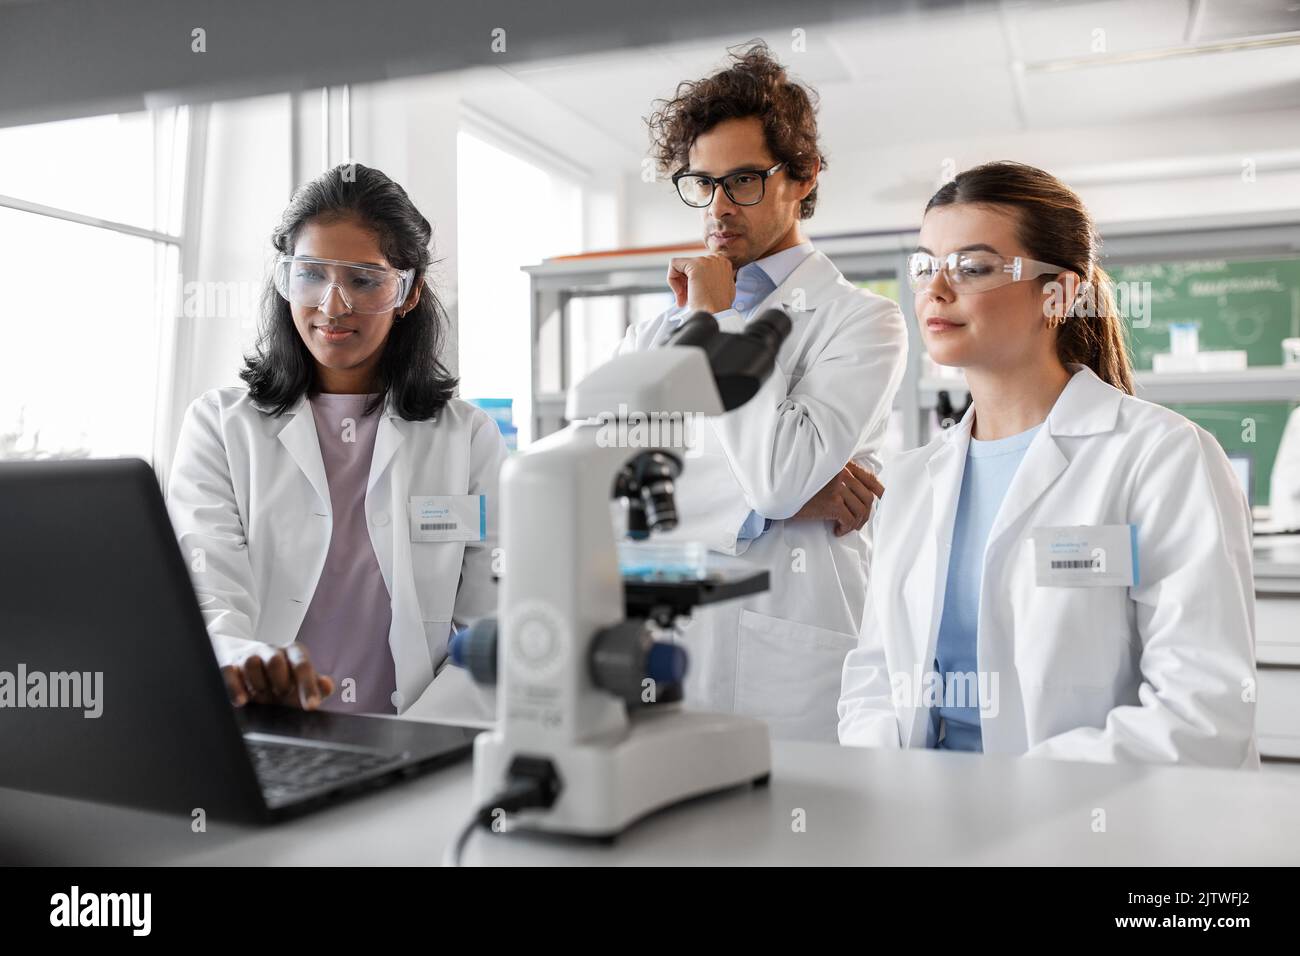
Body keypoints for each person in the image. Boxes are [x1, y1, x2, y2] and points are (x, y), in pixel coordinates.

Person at [838, 161, 1258, 766]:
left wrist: (1014, 802)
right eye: (926, 265)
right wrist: (892, 785)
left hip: (1095, 826)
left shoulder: (1162, 458)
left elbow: (1202, 711)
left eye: (973, 267)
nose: (935, 289)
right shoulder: (912, 478)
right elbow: (876, 676)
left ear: (1057, 293)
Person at [619, 43, 908, 740]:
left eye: (744, 180)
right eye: (702, 184)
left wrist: (721, 320)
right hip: (666, 649)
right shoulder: (653, 331)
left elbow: (775, 479)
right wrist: (773, 500)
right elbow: (614, 499)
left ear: (803, 176)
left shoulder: (865, 321)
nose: (719, 209)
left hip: (794, 659)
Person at [167, 163, 507, 718]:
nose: (332, 305)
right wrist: (252, 667)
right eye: (312, 275)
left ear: (409, 293)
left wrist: (414, 744)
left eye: (364, 280)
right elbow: (208, 603)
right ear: (285, 279)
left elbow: (487, 627)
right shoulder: (219, 427)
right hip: (266, 734)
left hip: (420, 737)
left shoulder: (467, 438)